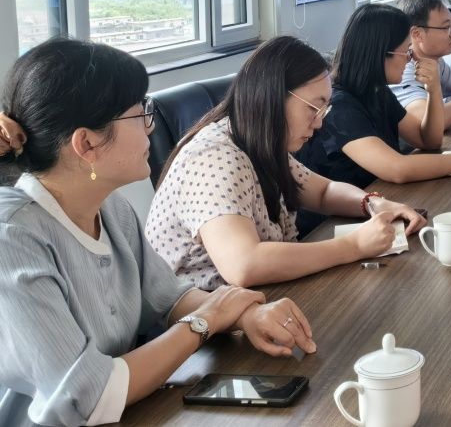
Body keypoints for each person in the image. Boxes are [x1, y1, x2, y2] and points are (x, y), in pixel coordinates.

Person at [0, 39, 315, 427]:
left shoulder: (111, 209)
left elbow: (170, 298)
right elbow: (88, 397)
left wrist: (245, 314)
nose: (150, 126)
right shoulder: (12, 240)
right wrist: (208, 319)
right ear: (87, 144)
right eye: (140, 114)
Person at [146, 36, 428, 291]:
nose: (319, 123)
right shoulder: (215, 158)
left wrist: (371, 203)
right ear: (272, 97)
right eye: (313, 108)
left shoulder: (260, 141)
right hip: (206, 318)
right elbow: (243, 264)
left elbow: (323, 192)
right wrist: (353, 245)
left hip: (259, 299)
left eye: (324, 109)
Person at [295, 3, 451, 190]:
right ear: (381, 53)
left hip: (382, 200)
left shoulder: (377, 91)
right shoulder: (339, 105)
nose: (410, 58)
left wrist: (433, 89)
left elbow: (428, 140)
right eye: (406, 51)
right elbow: (397, 169)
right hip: (339, 220)